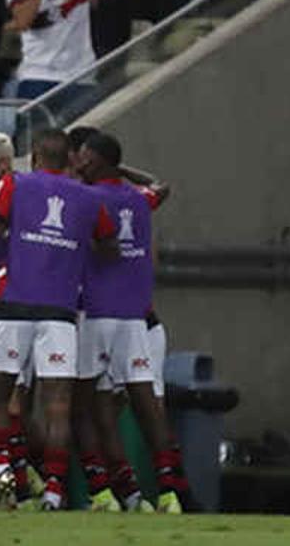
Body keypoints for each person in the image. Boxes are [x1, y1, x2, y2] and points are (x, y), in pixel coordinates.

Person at [0, 128, 112, 510]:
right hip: (60, 313)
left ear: (36, 158)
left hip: (13, 306)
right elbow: (107, 245)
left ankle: (1, 475)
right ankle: (55, 492)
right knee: (57, 405)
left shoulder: (17, 184)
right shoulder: (89, 198)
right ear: (70, 160)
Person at [74, 128, 191, 513]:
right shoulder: (139, 199)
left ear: (97, 160)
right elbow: (162, 186)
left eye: (86, 156)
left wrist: (108, 166)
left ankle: (108, 493)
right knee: (146, 406)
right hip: (135, 318)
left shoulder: (86, 198)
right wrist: (118, 166)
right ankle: (169, 493)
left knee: (90, 407)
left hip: (95, 314)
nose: (79, 161)